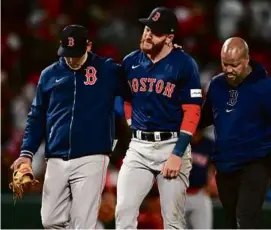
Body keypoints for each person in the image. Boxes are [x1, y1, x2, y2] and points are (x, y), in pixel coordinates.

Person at [10, 24, 128, 229]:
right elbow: (36, 116)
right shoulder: (49, 75)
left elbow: (138, 84)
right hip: (56, 156)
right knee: (49, 220)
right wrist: (26, 153)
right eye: (67, 53)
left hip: (92, 156)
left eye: (76, 53)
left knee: (83, 222)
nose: (71, 58)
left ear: (89, 46)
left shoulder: (108, 70)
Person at [115, 7, 202, 229]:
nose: (147, 34)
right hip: (139, 147)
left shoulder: (184, 64)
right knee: (123, 212)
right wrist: (130, 122)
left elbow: (192, 111)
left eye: (155, 32)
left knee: (173, 220)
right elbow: (124, 99)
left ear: (169, 38)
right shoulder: (130, 62)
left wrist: (177, 153)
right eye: (146, 28)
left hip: (172, 145)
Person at [199, 37, 271, 228]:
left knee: (245, 219)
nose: (229, 70)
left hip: (255, 163)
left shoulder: (265, 88)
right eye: (225, 64)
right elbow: (205, 117)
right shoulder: (216, 85)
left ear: (247, 60)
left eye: (234, 65)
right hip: (224, 165)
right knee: (230, 221)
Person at [185, 130, 217, 229]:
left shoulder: (209, 145)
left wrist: (212, 183)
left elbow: (214, 167)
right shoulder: (179, 142)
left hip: (200, 193)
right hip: (178, 194)